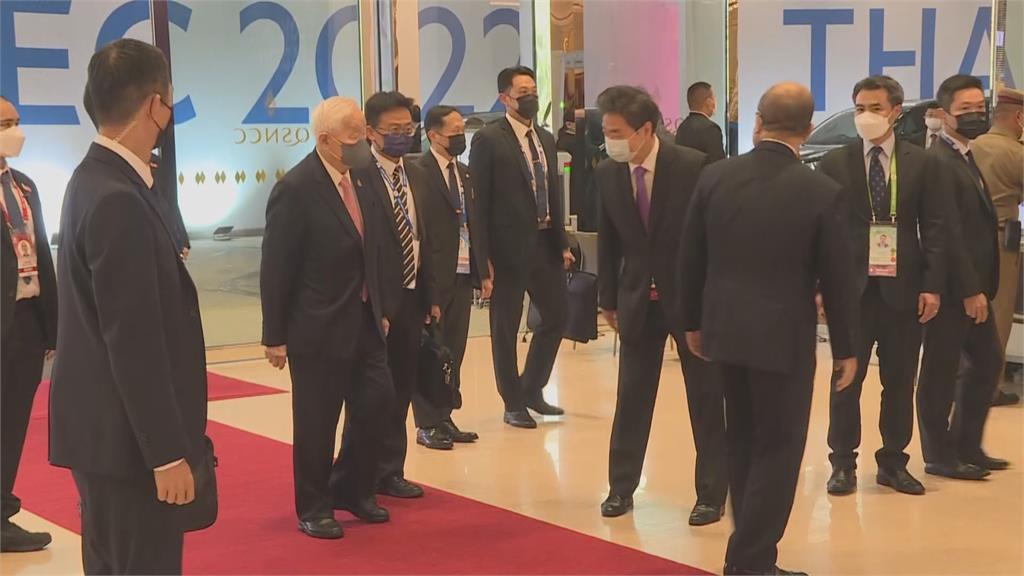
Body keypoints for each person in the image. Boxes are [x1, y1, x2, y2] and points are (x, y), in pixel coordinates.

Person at [679, 82, 858, 576]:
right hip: (783, 340)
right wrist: (846, 346)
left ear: (758, 122)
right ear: (808, 128)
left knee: (741, 441)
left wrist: (692, 323)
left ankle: (754, 556)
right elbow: (838, 277)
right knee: (779, 450)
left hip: (724, 332)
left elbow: (690, 257)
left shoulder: (714, 176)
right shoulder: (820, 191)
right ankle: (750, 561)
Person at [50, 38, 211, 573]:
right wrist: (165, 452)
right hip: (130, 446)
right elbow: (133, 339)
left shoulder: (94, 179)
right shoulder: (118, 197)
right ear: (154, 105)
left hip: (108, 437)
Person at [261, 96, 394, 538]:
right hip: (316, 326)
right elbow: (276, 266)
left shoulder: (364, 178)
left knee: (376, 404)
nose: (363, 143)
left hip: (365, 318)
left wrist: (381, 306)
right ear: (325, 140)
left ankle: (352, 488)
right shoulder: (297, 189)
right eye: (354, 136)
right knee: (317, 421)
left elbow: (375, 247)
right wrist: (274, 334)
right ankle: (314, 506)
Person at [594, 86, 727, 525]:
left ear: (645, 130)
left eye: (617, 133)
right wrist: (608, 298)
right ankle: (620, 487)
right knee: (631, 396)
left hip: (690, 299)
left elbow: (711, 238)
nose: (610, 141)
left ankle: (711, 493)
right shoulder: (608, 173)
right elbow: (610, 241)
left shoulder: (691, 166)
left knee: (706, 398)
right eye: (606, 132)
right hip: (637, 299)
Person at [818, 76, 945, 497]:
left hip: (903, 289)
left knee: (899, 380)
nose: (866, 116)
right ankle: (842, 462)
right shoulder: (835, 162)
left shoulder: (920, 163)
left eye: (875, 108)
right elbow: (823, 231)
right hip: (850, 291)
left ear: (895, 111)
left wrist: (932, 285)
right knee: (845, 380)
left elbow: (935, 227)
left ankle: (893, 461)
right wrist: (821, 286)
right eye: (859, 108)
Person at [334, 91, 439, 499]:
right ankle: (359, 473)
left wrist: (430, 295)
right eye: (393, 129)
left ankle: (391, 469)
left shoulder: (417, 173)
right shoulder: (358, 176)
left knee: (401, 388)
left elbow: (424, 237)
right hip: (375, 301)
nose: (402, 136)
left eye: (408, 128)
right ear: (371, 132)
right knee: (369, 394)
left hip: (411, 296)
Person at [469, 66, 575, 429]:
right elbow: (478, 204)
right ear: (505, 98)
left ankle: (532, 388)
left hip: (545, 243)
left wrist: (562, 242)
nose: (530, 97)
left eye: (533, 91)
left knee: (558, 316)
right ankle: (512, 401)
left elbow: (552, 193)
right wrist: (482, 259)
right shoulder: (488, 139)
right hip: (506, 250)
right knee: (505, 327)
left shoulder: (544, 137)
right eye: (522, 92)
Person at [917, 75, 1009, 480]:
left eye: (979, 108)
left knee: (987, 362)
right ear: (945, 114)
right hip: (952, 289)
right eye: (965, 109)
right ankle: (939, 454)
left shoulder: (966, 154)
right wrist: (970, 289)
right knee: (939, 371)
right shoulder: (939, 161)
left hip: (975, 287)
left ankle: (967, 445)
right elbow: (948, 232)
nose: (975, 115)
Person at [0, 96, 57, 553]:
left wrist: (52, 327)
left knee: (12, 423)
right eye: (5, 123)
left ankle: (1, 513)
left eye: (16, 122)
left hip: (25, 321)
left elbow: (41, 255)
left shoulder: (25, 185)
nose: (15, 131)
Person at [411, 105, 485, 447]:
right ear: (433, 135)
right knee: (430, 351)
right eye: (453, 132)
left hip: (464, 270)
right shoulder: (419, 172)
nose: (459, 137)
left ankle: (444, 415)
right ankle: (426, 422)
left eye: (461, 131)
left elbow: (474, 223)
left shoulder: (465, 173)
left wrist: (483, 270)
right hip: (433, 274)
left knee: (453, 350)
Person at [969, 88, 1023, 407]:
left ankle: (964, 381)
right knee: (998, 315)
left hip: (969, 241)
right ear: (1019, 117)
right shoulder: (1016, 153)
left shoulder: (973, 146)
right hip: (1002, 243)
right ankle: (989, 388)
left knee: (969, 312)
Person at [674, 82, 726, 162]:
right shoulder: (711, 129)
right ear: (708, 102)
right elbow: (718, 163)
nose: (715, 102)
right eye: (714, 98)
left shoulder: (682, 127)